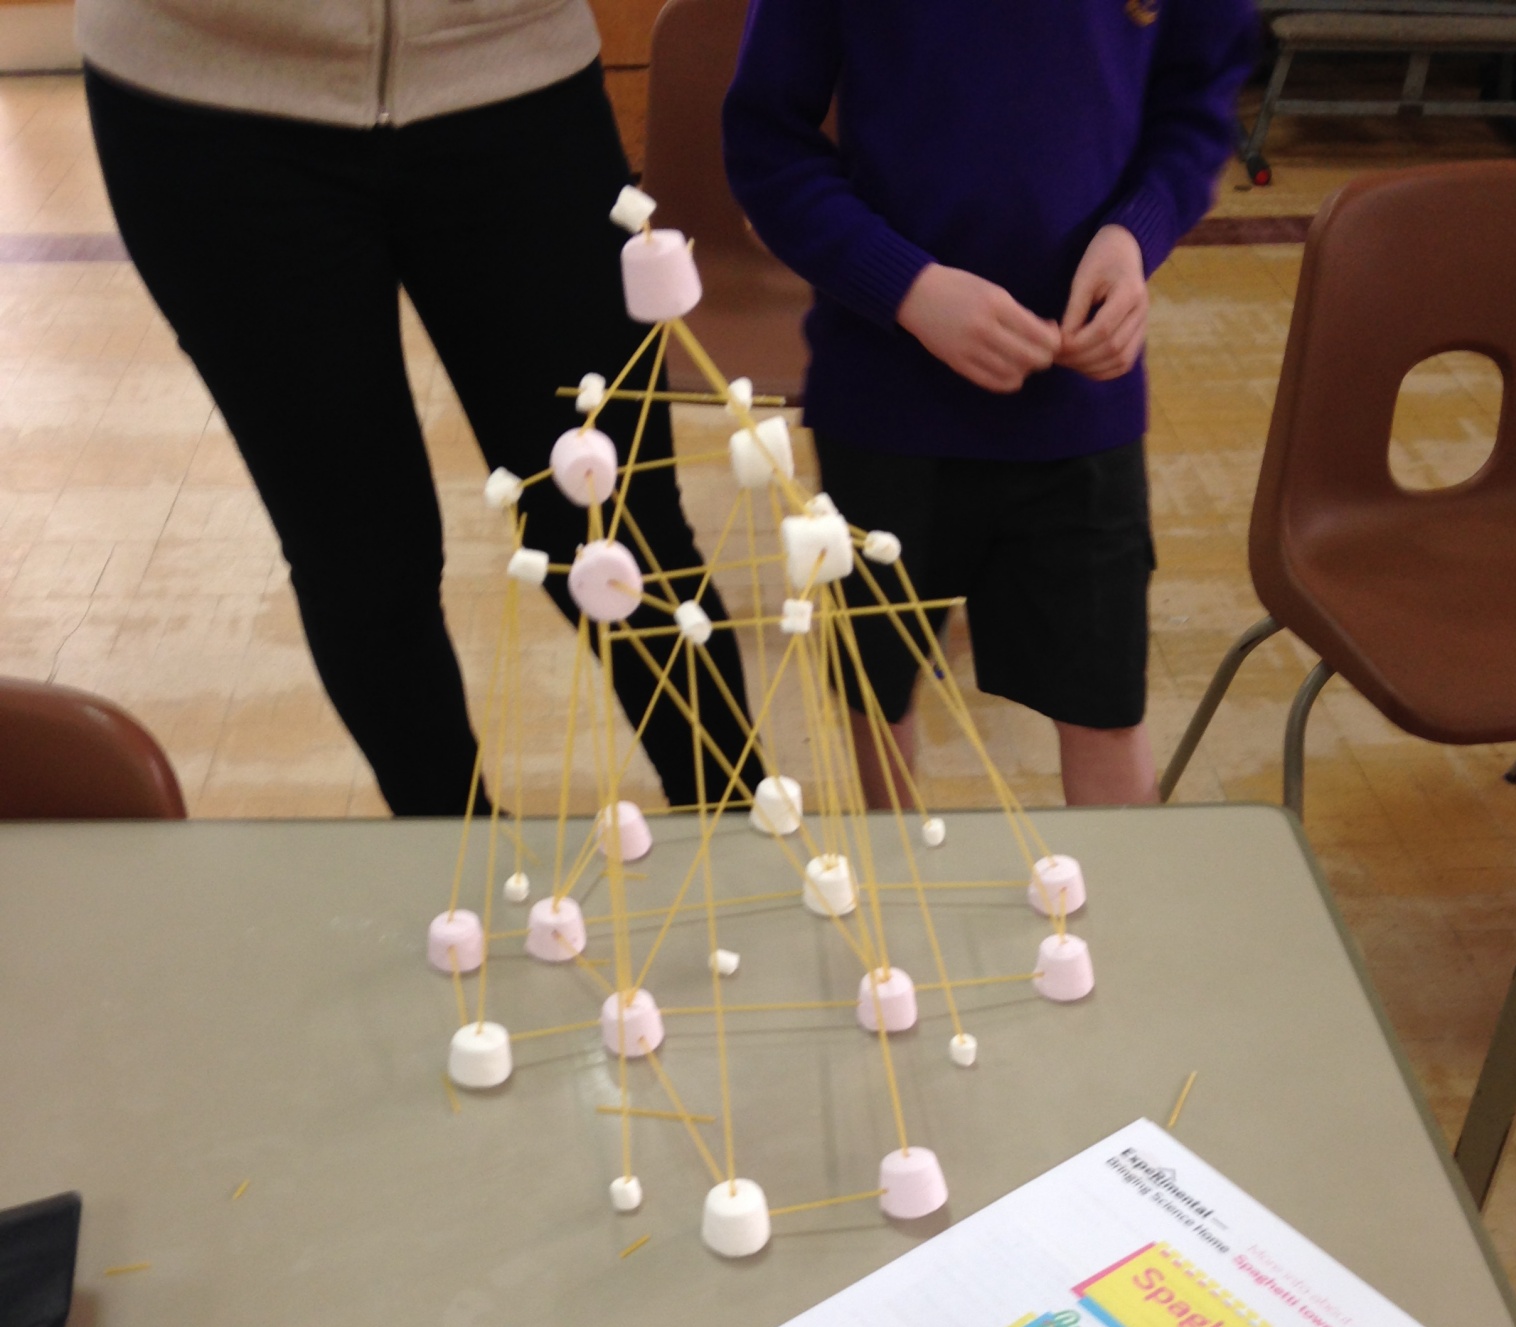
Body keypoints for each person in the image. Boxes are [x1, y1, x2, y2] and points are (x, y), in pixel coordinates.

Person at [77, 1, 763, 816]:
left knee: (616, 523)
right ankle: (454, 863)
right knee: (360, 556)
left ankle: (738, 828)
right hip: (205, 99)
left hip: (517, 72)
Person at [723, 0, 1256, 807]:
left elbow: (1197, 108)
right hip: (884, 398)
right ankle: (897, 913)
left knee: (1106, 708)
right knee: (878, 693)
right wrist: (906, 287)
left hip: (1079, 408)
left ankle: (1116, 929)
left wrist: (1135, 234)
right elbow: (766, 144)